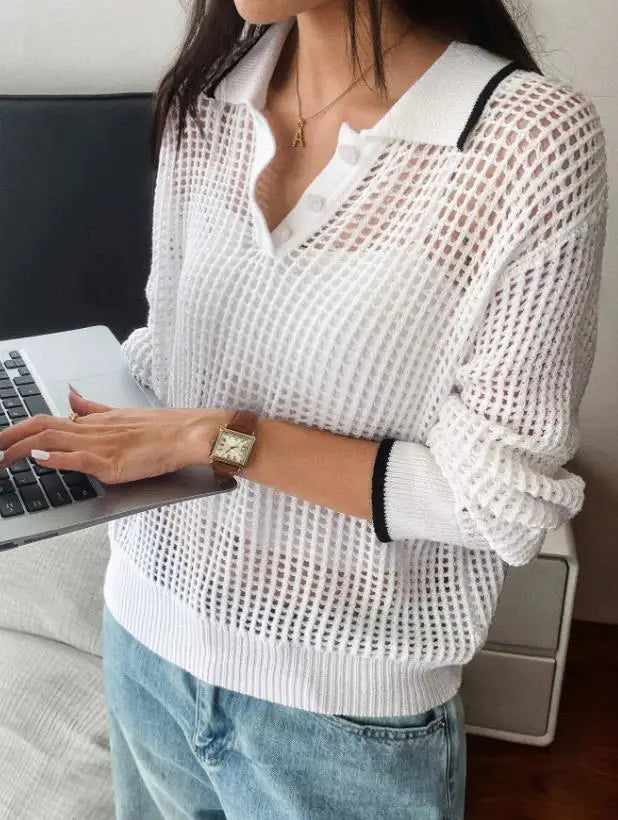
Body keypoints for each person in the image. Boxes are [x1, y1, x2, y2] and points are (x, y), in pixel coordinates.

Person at [0, 0, 607, 817]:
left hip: (339, 717)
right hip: (144, 637)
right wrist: (75, 415)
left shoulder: (527, 142)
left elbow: (494, 502)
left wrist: (219, 438)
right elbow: (169, 353)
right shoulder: (206, 97)